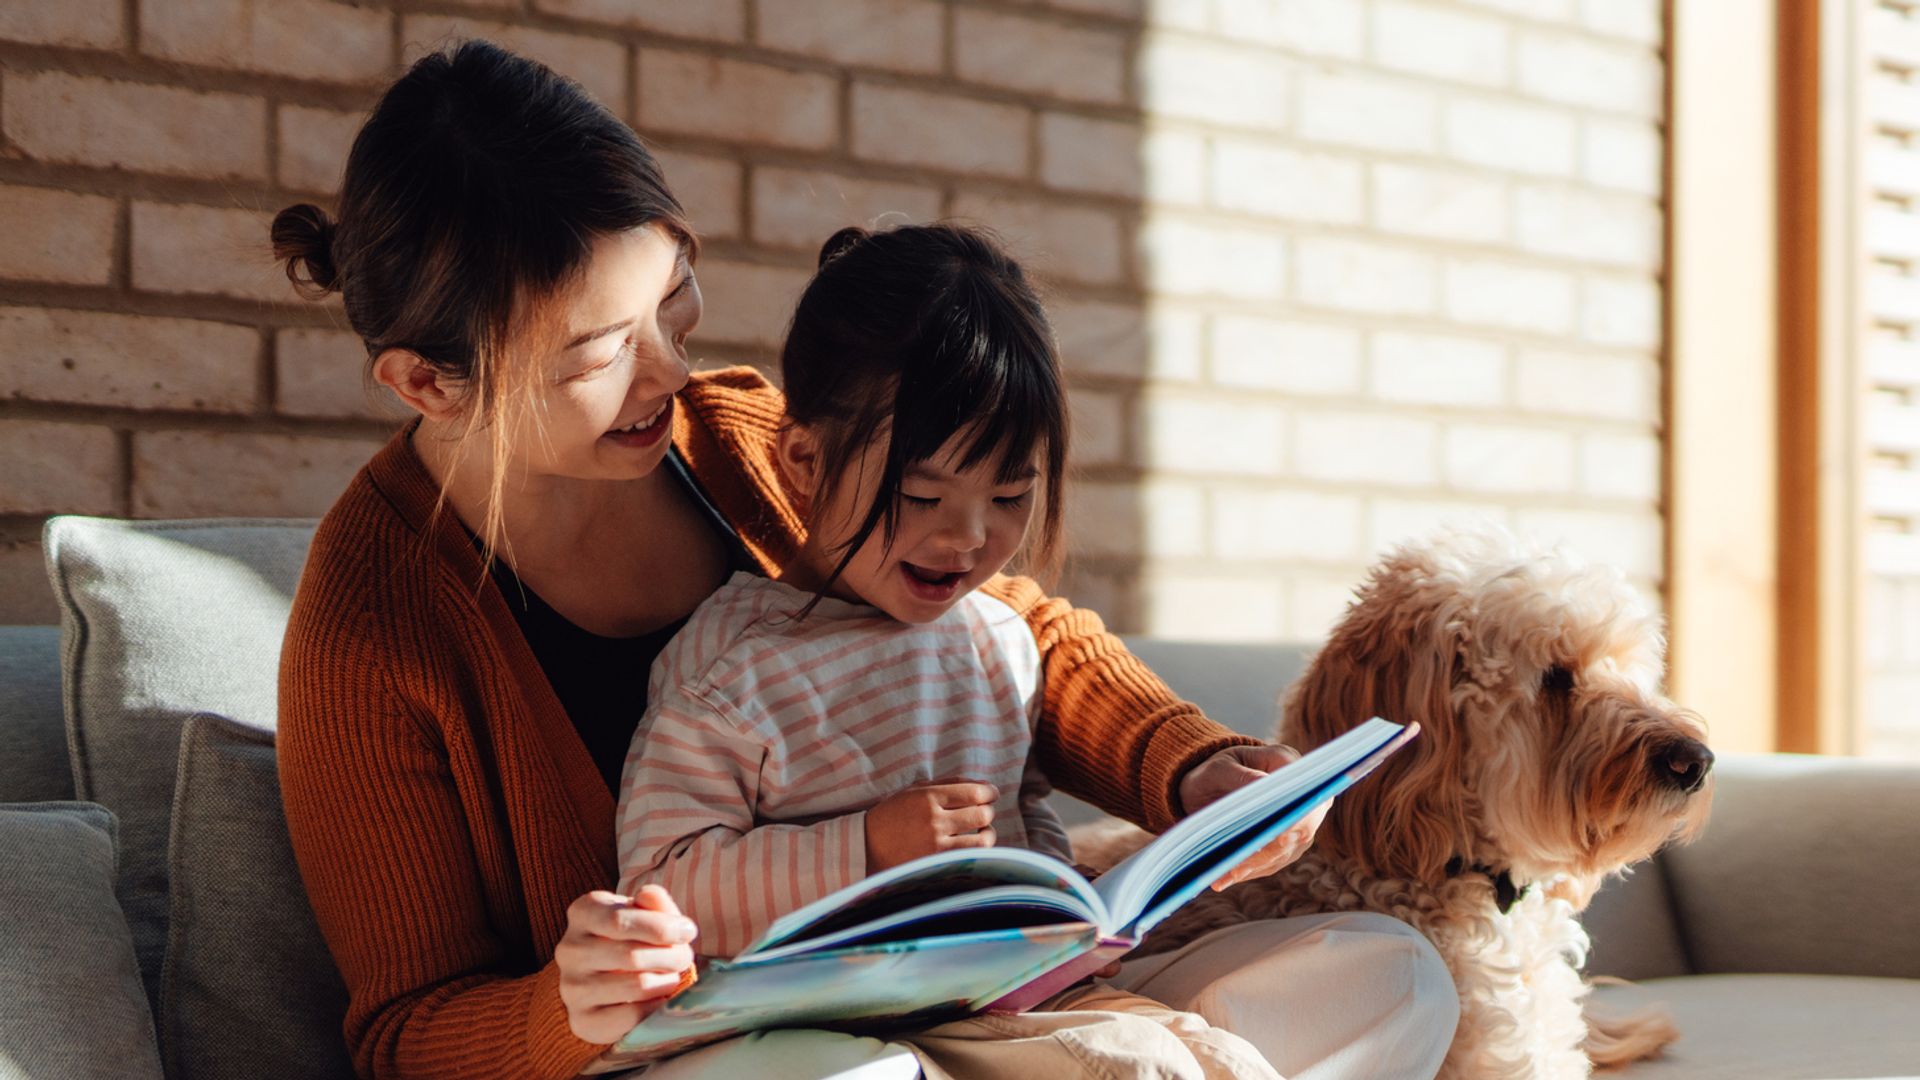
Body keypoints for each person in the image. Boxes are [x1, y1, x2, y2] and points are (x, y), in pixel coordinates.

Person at [272, 39, 1457, 1080]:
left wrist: (1190, 771)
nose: (670, 374)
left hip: (976, 1001)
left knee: (1389, 977)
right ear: (427, 381)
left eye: (673, 308)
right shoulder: (371, 632)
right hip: (732, 1057)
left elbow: (997, 623)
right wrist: (568, 1011)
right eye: (596, 353)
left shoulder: (737, 437)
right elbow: (404, 1029)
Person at [616, 222, 1279, 1078]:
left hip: (1001, 1008)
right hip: (818, 1041)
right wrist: (867, 847)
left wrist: (1075, 920)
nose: (966, 537)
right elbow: (660, 890)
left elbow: (1024, 816)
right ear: (805, 465)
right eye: (923, 493)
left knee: (1384, 966)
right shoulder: (732, 669)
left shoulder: (999, 641)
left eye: (1009, 495)